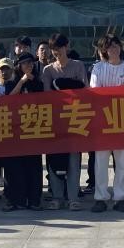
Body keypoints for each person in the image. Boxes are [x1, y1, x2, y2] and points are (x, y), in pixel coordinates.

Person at [88, 35, 124, 213]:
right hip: (102, 121)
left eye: (116, 45)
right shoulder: (98, 68)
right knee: (101, 162)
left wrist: (111, 95)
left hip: (122, 119)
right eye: (110, 47)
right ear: (104, 50)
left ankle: (119, 197)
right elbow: (95, 92)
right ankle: (100, 197)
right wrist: (116, 94)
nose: (114, 49)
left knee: (122, 161)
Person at [40, 34, 86, 210]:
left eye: (59, 48)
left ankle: (73, 197)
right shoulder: (48, 70)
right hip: (55, 120)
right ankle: (57, 196)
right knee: (54, 160)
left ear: (67, 46)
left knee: (74, 160)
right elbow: (47, 95)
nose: (56, 52)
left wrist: (61, 85)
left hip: (75, 118)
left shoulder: (78, 65)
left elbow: (84, 89)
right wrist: (69, 86)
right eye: (53, 49)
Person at [1, 52, 45, 211]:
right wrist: (22, 81)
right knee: (14, 167)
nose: (29, 65)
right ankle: (15, 199)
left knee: (33, 167)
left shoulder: (38, 83)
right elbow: (9, 98)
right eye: (25, 63)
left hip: (33, 129)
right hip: (15, 130)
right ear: (19, 66)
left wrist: (31, 81)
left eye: (31, 63)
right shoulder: (11, 82)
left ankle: (34, 199)